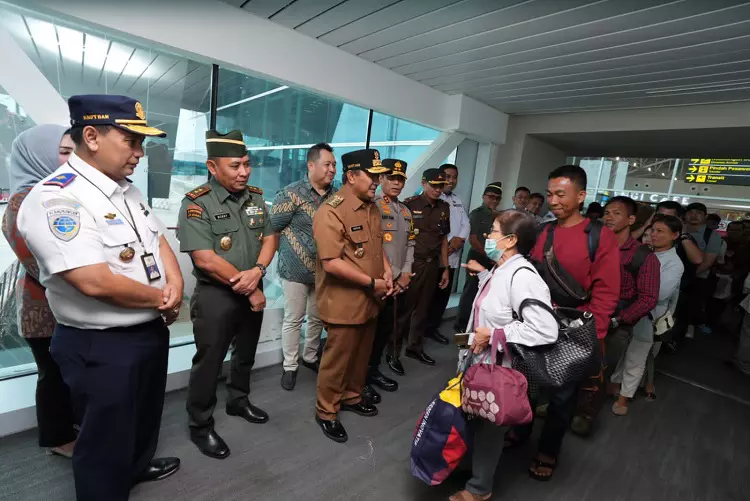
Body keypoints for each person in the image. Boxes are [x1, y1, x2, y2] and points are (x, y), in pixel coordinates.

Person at [17, 95, 182, 501]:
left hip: (147, 329)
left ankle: (136, 466)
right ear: (91, 136)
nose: (140, 153)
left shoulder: (126, 191)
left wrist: (173, 282)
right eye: (131, 141)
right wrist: (163, 298)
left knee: (143, 419)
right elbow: (93, 281)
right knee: (103, 440)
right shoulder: (57, 197)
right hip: (101, 343)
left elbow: (157, 239)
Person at [513, 165, 619, 482]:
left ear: (581, 195)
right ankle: (520, 433)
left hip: (574, 328)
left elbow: (606, 291)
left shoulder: (599, 237)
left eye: (561, 194)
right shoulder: (544, 232)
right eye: (549, 194)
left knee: (561, 397)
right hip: (536, 321)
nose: (553, 200)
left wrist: (592, 337)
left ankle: (548, 450)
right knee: (527, 386)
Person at [178, 129, 276, 459]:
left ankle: (238, 400)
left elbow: (270, 237)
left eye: (247, 164)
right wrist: (249, 289)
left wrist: (259, 272)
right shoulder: (196, 203)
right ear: (212, 166)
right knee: (209, 362)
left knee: (245, 353)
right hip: (216, 296)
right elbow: (205, 258)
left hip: (253, 285)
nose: (244, 172)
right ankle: (200, 425)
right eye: (235, 166)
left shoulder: (257, 198)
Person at [450, 210, 558, 501]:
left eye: (493, 232)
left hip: (501, 367)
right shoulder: (503, 267)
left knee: (489, 428)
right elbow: (499, 303)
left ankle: (479, 489)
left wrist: (497, 335)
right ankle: (474, 471)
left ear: (511, 240)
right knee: (474, 417)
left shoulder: (524, 276)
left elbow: (546, 330)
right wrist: (483, 273)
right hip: (479, 359)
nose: (487, 237)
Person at [2, 125, 76, 458]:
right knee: (53, 376)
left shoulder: (59, 193)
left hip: (68, 305)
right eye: (63, 151)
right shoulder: (22, 202)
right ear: (38, 156)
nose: (71, 159)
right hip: (43, 311)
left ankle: (69, 427)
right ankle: (58, 439)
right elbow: (42, 265)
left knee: (67, 375)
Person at [313, 148, 393, 443]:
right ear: (351, 176)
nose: (378, 181)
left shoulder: (370, 206)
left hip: (371, 298)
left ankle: (351, 395)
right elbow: (332, 263)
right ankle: (326, 412)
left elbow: (376, 247)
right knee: (338, 360)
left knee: (360, 356)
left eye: (378, 175)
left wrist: (387, 272)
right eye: (372, 176)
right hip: (345, 301)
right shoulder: (331, 211)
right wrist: (373, 283)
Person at [271, 143, 335, 391]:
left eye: (334, 165)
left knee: (318, 317)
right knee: (294, 319)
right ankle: (290, 366)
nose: (332, 170)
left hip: (324, 272)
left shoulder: (336, 197)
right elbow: (272, 228)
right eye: (327, 164)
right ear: (311, 165)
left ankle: (310, 357)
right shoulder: (290, 194)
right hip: (294, 270)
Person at [596, 197, 660, 416]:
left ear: (631, 219)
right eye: (606, 213)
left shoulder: (643, 255)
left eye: (616, 213)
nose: (609, 217)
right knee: (579, 364)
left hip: (617, 323)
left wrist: (618, 320)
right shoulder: (596, 246)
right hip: (590, 315)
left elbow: (648, 298)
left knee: (604, 369)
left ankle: (586, 413)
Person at [367, 158, 414, 402]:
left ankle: (373, 372)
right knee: (369, 333)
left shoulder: (405, 210)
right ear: (381, 179)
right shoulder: (373, 206)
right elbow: (375, 246)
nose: (396, 183)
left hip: (398, 282)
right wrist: (394, 274)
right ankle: (361, 378)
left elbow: (410, 244)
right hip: (379, 281)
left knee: (385, 329)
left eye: (400, 179)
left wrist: (405, 273)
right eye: (391, 178)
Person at [396, 169, 451, 369]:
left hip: (431, 264)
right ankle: (393, 350)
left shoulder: (444, 207)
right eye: (434, 185)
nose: (438, 190)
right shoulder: (409, 205)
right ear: (424, 183)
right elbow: (400, 240)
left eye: (441, 186)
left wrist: (444, 267)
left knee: (423, 308)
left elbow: (443, 239)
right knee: (404, 309)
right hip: (412, 264)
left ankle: (414, 347)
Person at [638, 215, 685, 403]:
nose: (654, 235)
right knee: (639, 352)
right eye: (653, 231)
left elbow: (663, 294)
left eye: (660, 231)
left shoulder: (674, 262)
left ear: (675, 235)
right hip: (642, 310)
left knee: (649, 351)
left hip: (657, 313)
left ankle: (648, 383)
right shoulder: (647, 252)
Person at [424, 163, 470, 345]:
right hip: (437, 256)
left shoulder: (457, 200)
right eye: (447, 176)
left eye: (454, 177)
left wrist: (459, 239)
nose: (451, 181)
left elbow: (466, 223)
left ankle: (432, 328)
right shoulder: (434, 198)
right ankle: (419, 331)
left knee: (442, 297)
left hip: (453, 256)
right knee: (428, 296)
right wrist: (448, 245)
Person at [455, 182, 503, 333]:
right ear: (483, 197)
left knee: (487, 293)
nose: (494, 200)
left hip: (493, 259)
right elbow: (473, 239)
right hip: (477, 257)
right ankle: (461, 324)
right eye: (491, 197)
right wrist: (489, 255)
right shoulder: (477, 214)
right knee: (470, 291)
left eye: (497, 198)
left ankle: (478, 323)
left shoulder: (500, 216)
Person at [684, 202, 723, 336]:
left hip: (697, 278)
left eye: (699, 213)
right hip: (673, 274)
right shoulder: (677, 229)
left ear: (705, 216)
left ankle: (686, 328)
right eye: (691, 212)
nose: (694, 216)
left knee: (690, 307)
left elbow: (708, 261)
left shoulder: (712, 235)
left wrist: (688, 276)